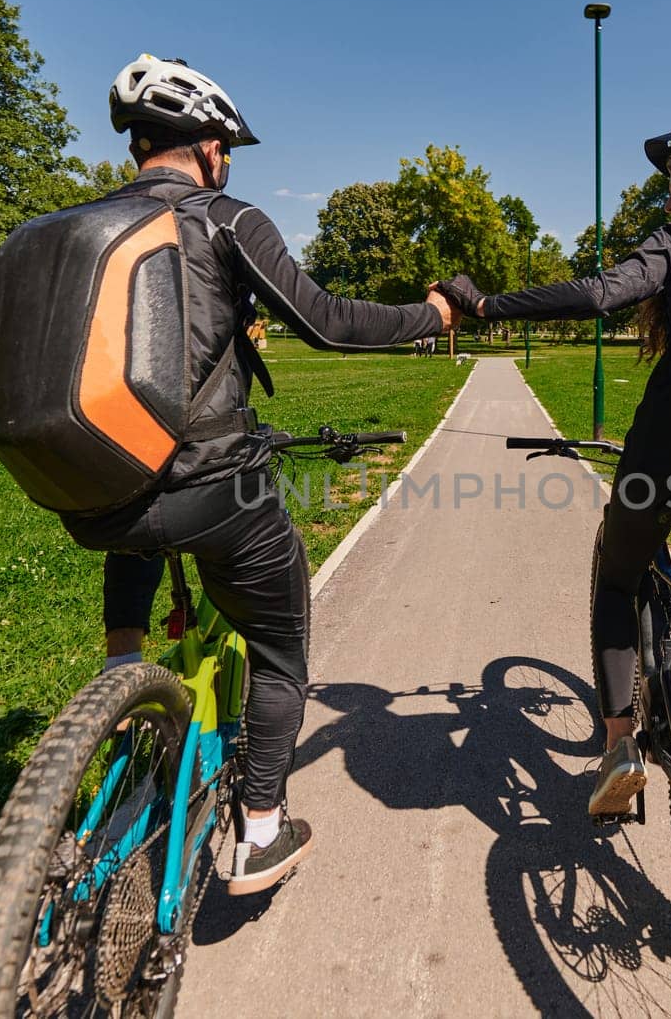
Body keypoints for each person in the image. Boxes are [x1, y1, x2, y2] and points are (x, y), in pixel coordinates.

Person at [58, 54, 457, 893]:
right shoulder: (225, 217)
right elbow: (330, 324)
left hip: (96, 487)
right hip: (217, 485)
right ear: (209, 145)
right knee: (280, 651)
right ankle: (260, 833)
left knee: (138, 504)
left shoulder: (83, 229)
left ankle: (120, 683)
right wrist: (433, 315)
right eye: (226, 146)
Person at [436, 122, 671, 817]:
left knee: (617, 574)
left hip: (663, 457)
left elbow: (601, 294)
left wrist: (485, 306)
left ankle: (620, 744)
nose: (667, 197)